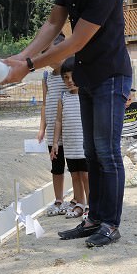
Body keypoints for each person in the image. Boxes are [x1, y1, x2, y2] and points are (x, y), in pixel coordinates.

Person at [3, 0, 132, 247]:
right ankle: (94, 218)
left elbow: (75, 41)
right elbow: (52, 25)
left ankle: (110, 223)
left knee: (107, 151)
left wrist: (30, 67)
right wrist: (21, 57)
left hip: (111, 75)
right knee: (90, 152)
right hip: (86, 74)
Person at [37, 34, 73, 216]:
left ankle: (79, 199)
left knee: (76, 166)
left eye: (50, 54)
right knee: (56, 165)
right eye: (45, 55)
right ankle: (59, 199)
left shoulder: (71, 75)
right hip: (52, 130)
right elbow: (44, 103)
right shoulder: (46, 77)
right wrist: (42, 127)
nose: (48, 59)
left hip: (71, 129)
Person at [51, 57, 89, 218]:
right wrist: (54, 143)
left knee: (86, 176)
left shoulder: (87, 95)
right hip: (69, 145)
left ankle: (91, 205)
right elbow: (58, 121)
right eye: (65, 77)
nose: (69, 80)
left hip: (84, 145)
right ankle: (79, 203)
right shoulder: (63, 97)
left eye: (72, 76)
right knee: (74, 175)